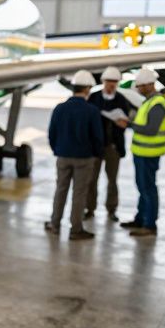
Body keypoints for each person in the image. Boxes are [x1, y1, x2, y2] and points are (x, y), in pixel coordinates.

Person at [47, 70, 104, 240]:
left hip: (62, 157)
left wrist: (58, 150)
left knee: (60, 190)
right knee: (79, 194)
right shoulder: (91, 111)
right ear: (87, 89)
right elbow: (97, 137)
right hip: (84, 159)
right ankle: (76, 229)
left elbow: (52, 133)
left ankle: (54, 224)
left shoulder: (60, 108)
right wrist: (96, 154)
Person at [123, 67, 165, 237]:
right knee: (142, 187)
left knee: (148, 188)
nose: (138, 90)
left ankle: (150, 224)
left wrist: (129, 124)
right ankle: (141, 219)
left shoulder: (157, 104)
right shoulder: (149, 101)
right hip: (142, 152)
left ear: (149, 85)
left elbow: (150, 130)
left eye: (140, 86)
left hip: (149, 154)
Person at [85, 66, 134, 222]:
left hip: (113, 146)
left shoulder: (121, 100)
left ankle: (111, 209)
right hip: (95, 147)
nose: (111, 85)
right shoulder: (93, 98)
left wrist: (123, 123)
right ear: (103, 82)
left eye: (114, 82)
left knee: (112, 180)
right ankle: (89, 208)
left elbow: (126, 120)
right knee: (91, 179)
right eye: (109, 82)